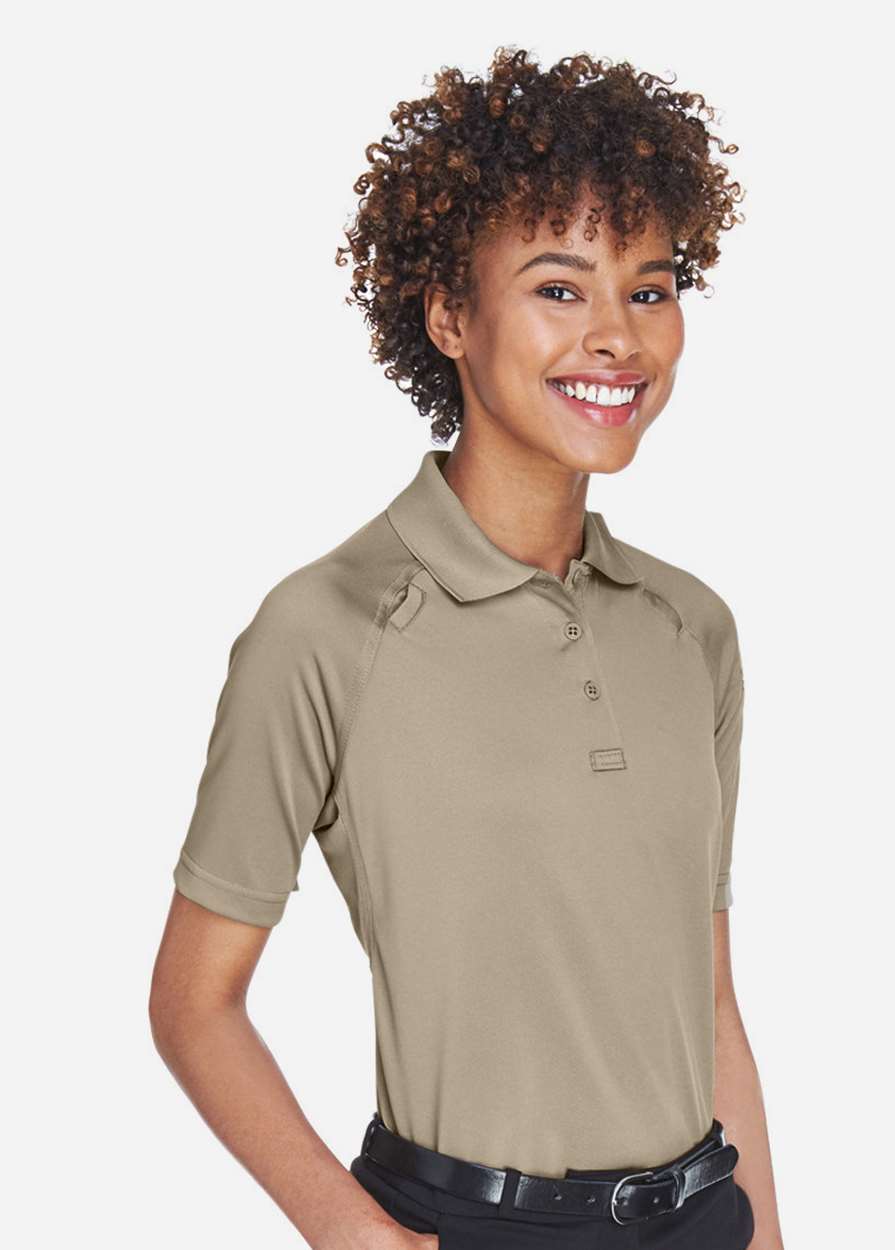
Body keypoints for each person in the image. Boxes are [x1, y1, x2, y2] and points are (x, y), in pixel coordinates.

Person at [149, 46, 784, 1250]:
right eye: (560, 289)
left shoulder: (690, 627)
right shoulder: (324, 627)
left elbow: (705, 995)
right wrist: (358, 1236)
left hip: (703, 1212)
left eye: (650, 289)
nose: (618, 338)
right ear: (448, 313)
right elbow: (194, 1001)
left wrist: (763, 1235)